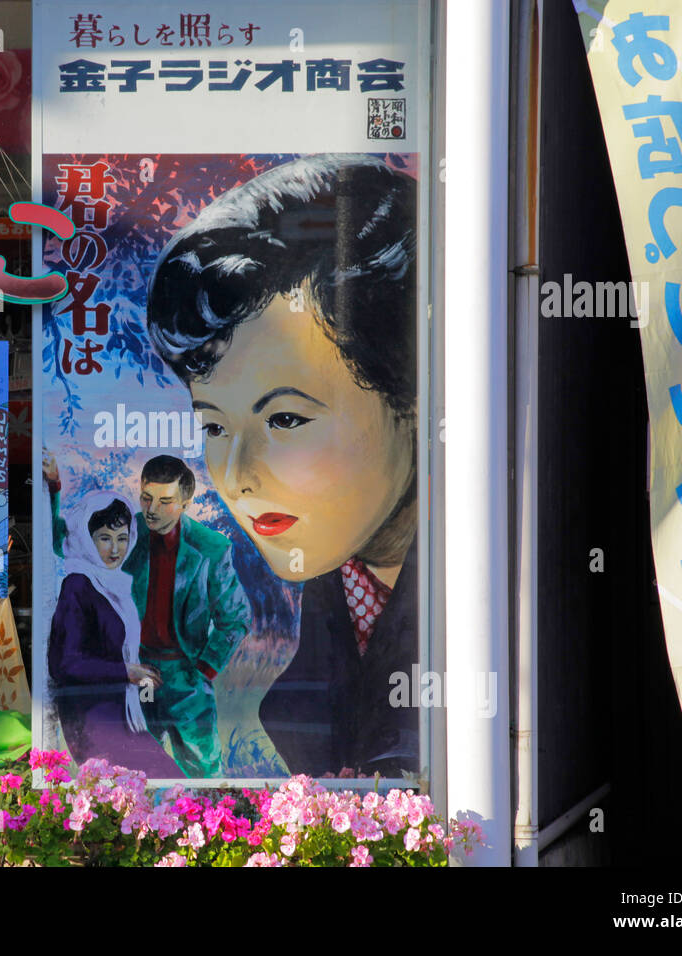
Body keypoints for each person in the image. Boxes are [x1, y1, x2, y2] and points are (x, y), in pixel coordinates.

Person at [144, 154, 420, 778]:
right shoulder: (339, 580)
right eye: (213, 425)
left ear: (413, 395)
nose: (237, 474)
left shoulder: (497, 591)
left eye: (285, 420)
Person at [43, 452, 252, 778]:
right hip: (134, 674)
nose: (152, 509)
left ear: (185, 502)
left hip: (186, 677)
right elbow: (64, 543)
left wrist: (203, 670)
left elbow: (236, 617)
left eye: (165, 501)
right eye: (146, 497)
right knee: (142, 778)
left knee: (204, 775)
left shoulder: (212, 548)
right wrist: (52, 488)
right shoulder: (126, 532)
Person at [47, 491, 181, 776]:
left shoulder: (113, 584)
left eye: (122, 538)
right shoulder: (78, 585)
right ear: (86, 538)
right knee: (168, 785)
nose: (115, 550)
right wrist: (126, 672)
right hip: (92, 720)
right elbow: (65, 664)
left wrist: (136, 671)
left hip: (119, 716)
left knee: (172, 787)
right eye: (105, 538)